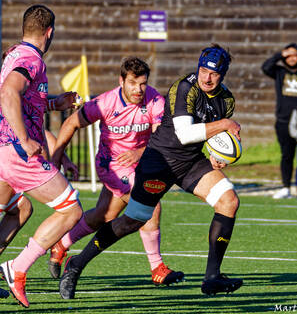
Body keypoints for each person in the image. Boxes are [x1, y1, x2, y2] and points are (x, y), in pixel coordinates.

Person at [57, 43, 243, 298]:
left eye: (214, 74)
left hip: (190, 163)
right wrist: (224, 124)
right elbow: (186, 133)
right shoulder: (184, 87)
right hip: (160, 162)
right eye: (203, 70)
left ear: (223, 74)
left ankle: (211, 277)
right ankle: (76, 264)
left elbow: (211, 136)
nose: (206, 78)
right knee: (132, 221)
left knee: (229, 201)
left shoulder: (226, 100)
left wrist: (217, 156)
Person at [49, 56, 184, 295]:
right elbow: (70, 124)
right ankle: (157, 267)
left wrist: (139, 152)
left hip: (140, 164)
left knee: (104, 215)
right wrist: (58, 157)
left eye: (143, 83)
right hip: (111, 165)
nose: (138, 89)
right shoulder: (106, 102)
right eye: (133, 83)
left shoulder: (155, 100)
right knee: (150, 202)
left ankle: (62, 243)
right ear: (121, 80)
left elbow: (160, 138)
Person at [0, 5, 83, 308]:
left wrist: (54, 103)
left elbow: (23, 98)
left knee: (16, 210)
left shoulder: (15, 54)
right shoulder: (31, 59)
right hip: (17, 152)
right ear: (49, 32)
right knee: (71, 211)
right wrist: (24, 138)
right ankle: (17, 268)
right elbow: (9, 93)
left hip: (5, 152)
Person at [262, 43, 297, 199]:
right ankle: (286, 187)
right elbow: (266, 67)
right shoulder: (280, 72)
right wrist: (279, 55)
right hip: (283, 121)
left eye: (295, 54)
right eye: (288, 55)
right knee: (286, 155)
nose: (292, 58)